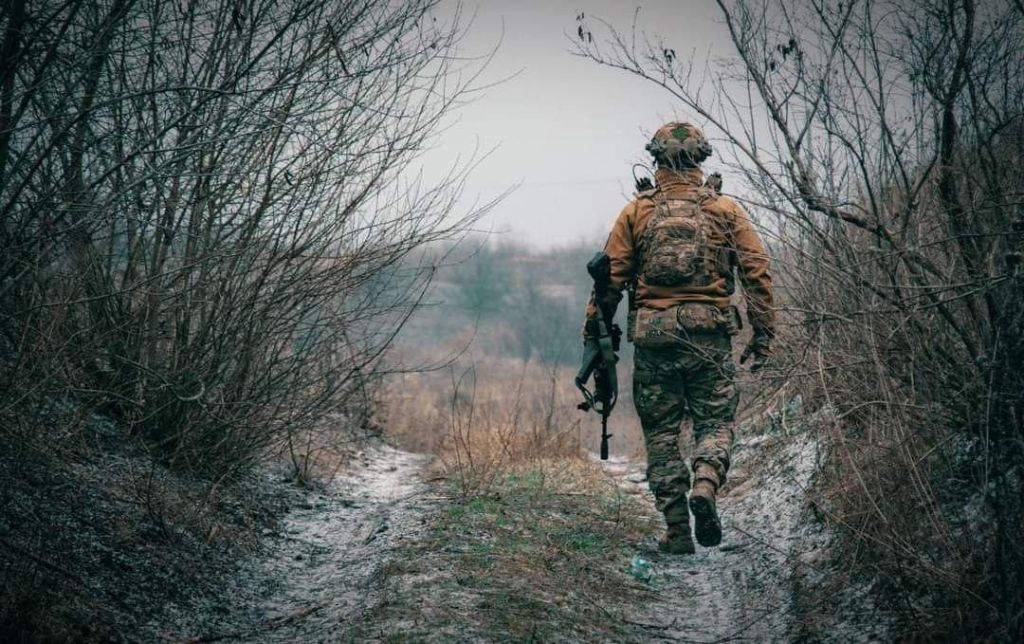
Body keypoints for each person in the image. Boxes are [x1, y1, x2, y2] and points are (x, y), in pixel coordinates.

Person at [583, 122, 774, 554]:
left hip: (654, 341)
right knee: (715, 423)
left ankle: (676, 532)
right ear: (701, 160)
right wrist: (764, 334)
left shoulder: (637, 212)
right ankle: (705, 483)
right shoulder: (725, 209)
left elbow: (608, 281)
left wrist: (593, 339)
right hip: (710, 337)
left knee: (663, 435)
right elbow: (757, 270)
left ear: (656, 159)